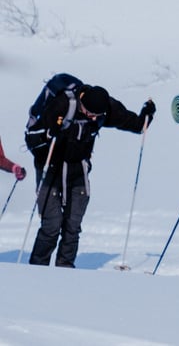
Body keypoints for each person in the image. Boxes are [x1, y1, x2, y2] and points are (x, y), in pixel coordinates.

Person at [28, 83, 155, 268]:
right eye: (89, 113)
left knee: (73, 226)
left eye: (97, 115)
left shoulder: (105, 108)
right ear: (81, 101)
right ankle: (37, 269)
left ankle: (65, 268)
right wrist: (48, 134)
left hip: (78, 169)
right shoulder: (63, 104)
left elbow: (135, 125)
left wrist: (147, 114)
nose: (93, 117)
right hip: (51, 168)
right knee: (51, 225)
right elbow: (32, 137)